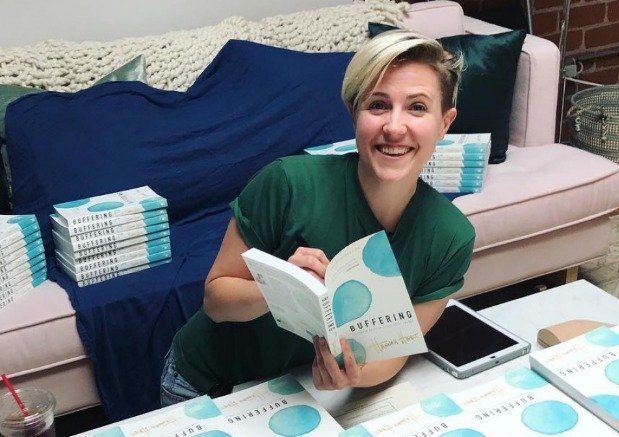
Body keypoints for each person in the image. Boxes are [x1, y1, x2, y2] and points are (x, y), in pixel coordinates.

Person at [160, 29, 475, 405]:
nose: (394, 126)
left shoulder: (451, 236)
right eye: (377, 105)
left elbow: (395, 352)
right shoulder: (286, 183)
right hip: (205, 384)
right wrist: (282, 286)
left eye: (417, 107)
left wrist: (349, 372)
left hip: (297, 391)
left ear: (445, 123)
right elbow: (216, 299)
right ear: (354, 113)